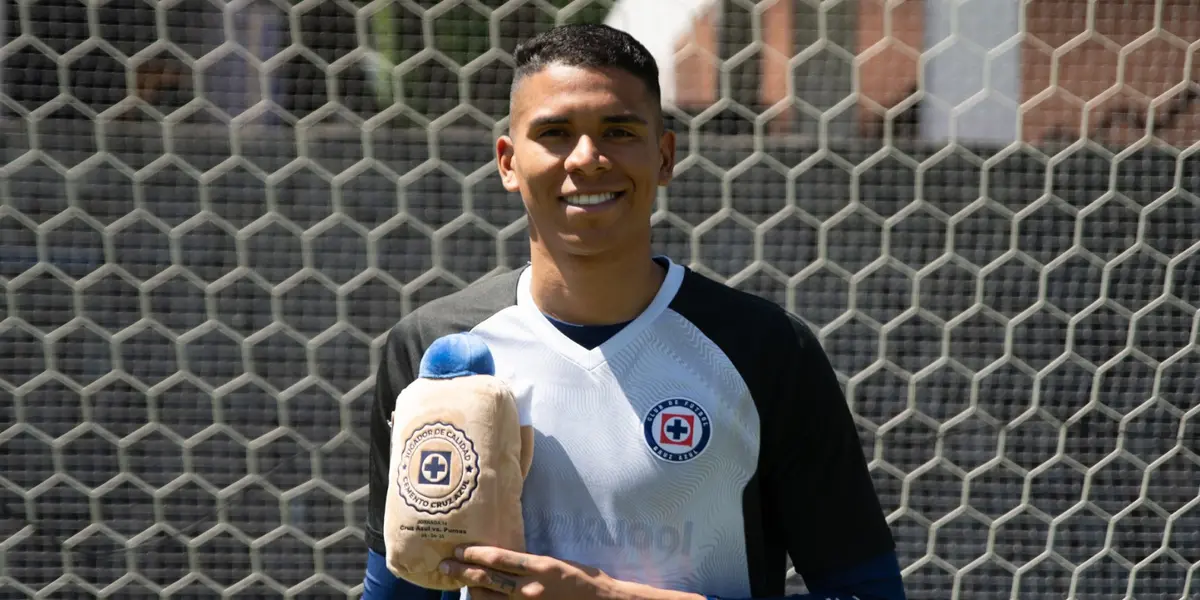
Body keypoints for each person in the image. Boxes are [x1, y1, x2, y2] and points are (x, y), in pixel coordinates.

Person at [363, 23, 906, 600]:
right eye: (553, 133)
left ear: (665, 155)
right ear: (508, 161)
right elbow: (395, 588)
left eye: (618, 131)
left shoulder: (766, 351)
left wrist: (605, 596)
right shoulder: (434, 348)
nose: (588, 158)